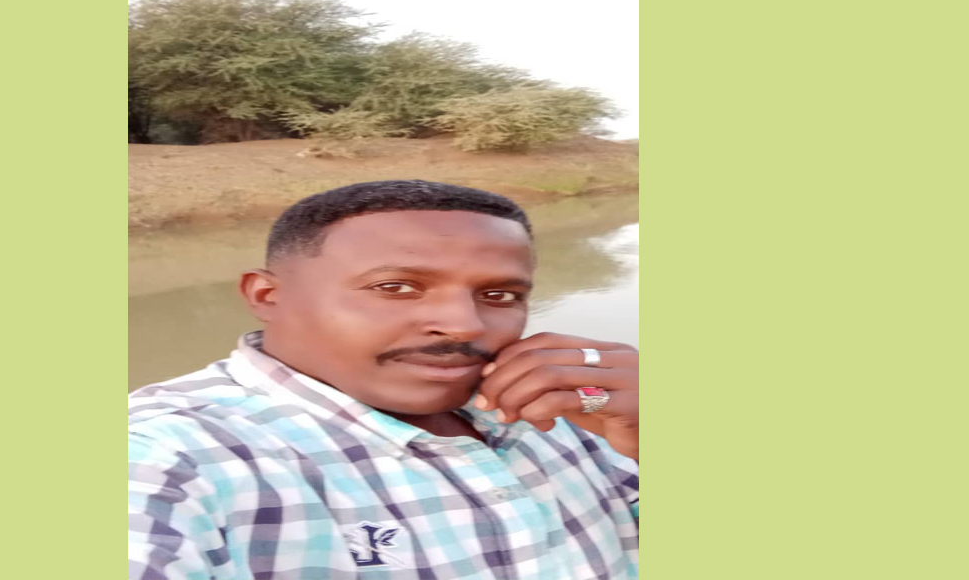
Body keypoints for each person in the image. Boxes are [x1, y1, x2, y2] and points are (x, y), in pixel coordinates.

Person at [128, 180, 639, 580]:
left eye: (499, 296)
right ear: (266, 296)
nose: (464, 325)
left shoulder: (570, 410)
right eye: (395, 287)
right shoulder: (167, 460)